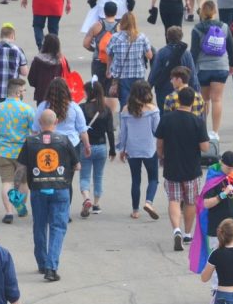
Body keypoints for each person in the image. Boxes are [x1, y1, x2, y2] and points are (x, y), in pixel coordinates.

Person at [18, 109, 80, 281]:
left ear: (39, 121)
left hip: (38, 189)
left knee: (39, 225)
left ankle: (42, 263)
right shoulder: (64, 140)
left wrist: (16, 190)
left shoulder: (30, 141)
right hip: (60, 188)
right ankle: (51, 267)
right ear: (56, 122)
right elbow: (77, 165)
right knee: (58, 227)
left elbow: (21, 168)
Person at [156, 86, 210, 251]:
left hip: (172, 165)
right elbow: (205, 147)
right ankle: (187, 234)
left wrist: (161, 155)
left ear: (178, 99)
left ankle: (176, 229)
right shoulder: (197, 121)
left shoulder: (166, 119)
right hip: (191, 167)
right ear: (193, 101)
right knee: (190, 201)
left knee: (174, 199)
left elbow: (159, 142)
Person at [0, 78, 34, 224]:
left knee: (7, 182)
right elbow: (34, 131)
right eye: (24, 90)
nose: (24, 93)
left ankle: (8, 212)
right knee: (23, 182)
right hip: (22, 152)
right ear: (18, 92)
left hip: (3, 151)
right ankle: (20, 206)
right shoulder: (27, 109)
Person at [117, 80, 161, 220]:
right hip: (149, 148)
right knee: (153, 178)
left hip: (132, 149)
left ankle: (135, 210)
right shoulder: (153, 110)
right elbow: (157, 130)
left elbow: (123, 133)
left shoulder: (125, 110)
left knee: (135, 180)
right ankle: (148, 202)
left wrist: (122, 149)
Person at [192, 0, 233, 137]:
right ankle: (215, 131)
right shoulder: (224, 27)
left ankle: (203, 130)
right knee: (217, 99)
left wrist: (192, 69)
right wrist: (232, 65)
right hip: (220, 67)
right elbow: (231, 48)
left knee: (204, 100)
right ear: (214, 12)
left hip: (203, 68)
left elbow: (194, 52)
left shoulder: (197, 29)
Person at [78, 80, 114, 215]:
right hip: (101, 146)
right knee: (98, 176)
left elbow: (79, 129)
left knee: (85, 176)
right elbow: (110, 131)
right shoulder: (106, 109)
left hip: (86, 146)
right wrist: (112, 150)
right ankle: (96, 204)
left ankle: (86, 198)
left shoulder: (82, 108)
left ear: (88, 92)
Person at [106, 11, 153, 105]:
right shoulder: (141, 37)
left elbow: (109, 54)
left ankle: (125, 118)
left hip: (121, 75)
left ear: (122, 23)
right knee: (139, 101)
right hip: (138, 73)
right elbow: (150, 55)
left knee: (124, 102)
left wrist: (108, 70)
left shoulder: (115, 37)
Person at [149, 25, 198, 109]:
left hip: (164, 90)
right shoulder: (186, 54)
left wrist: (148, 87)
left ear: (167, 37)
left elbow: (154, 73)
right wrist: (197, 91)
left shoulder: (161, 53)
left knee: (164, 115)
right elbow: (192, 74)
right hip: (184, 91)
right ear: (181, 37)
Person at [26, 34, 68, 104]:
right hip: (59, 95)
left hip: (42, 95)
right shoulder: (62, 61)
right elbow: (67, 76)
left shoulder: (37, 60)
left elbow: (31, 79)